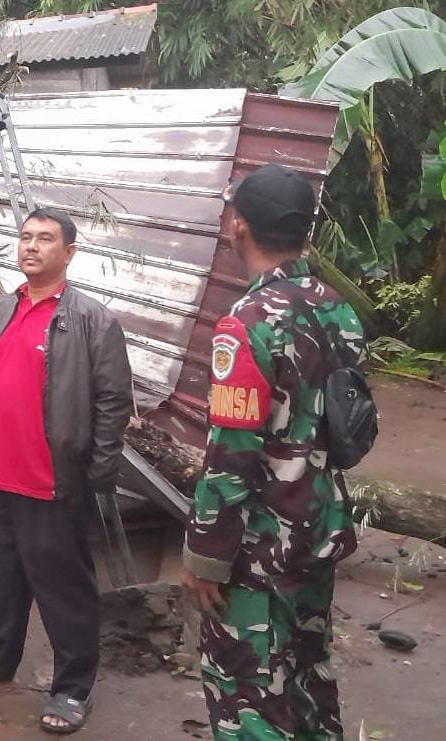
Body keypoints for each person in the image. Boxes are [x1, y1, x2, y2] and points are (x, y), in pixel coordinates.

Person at [0, 207, 133, 735]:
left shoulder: (92, 319)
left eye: (45, 238)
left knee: (64, 590)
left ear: (69, 252)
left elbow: (115, 401)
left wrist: (97, 474)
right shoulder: (4, 309)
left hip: (52, 483)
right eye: (25, 237)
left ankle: (72, 687)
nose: (31, 246)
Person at [182, 165, 365, 740]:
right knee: (308, 683)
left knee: (250, 695)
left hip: (258, 550)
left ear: (238, 224)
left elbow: (232, 455)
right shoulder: (337, 307)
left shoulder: (247, 323)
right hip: (319, 531)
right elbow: (351, 428)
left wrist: (205, 557)